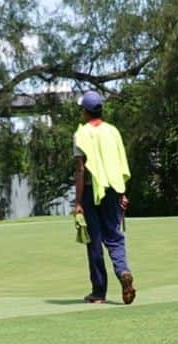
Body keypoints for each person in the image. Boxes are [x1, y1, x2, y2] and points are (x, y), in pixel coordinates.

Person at [73, 90, 136, 305]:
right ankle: (123, 271)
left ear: (85, 111)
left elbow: (81, 170)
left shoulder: (81, 134)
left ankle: (99, 293)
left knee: (95, 241)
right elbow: (120, 163)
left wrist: (78, 201)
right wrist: (122, 193)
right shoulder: (113, 131)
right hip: (112, 190)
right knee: (114, 237)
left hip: (92, 192)